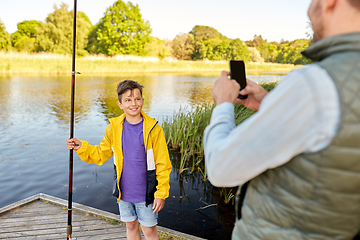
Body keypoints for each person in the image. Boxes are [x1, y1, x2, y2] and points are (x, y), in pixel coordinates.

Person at [203, 0, 360, 239]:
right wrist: (270, 104)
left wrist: (223, 104)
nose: (309, 9)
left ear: (330, 3)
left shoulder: (315, 83)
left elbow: (220, 168)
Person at [66, 80, 172, 240]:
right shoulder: (113, 128)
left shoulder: (154, 130)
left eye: (137, 99)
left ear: (142, 101)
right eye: (128, 100)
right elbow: (101, 153)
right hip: (125, 192)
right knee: (131, 226)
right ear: (120, 104)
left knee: (149, 230)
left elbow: (163, 165)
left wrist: (161, 193)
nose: (133, 104)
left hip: (147, 194)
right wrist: (81, 146)